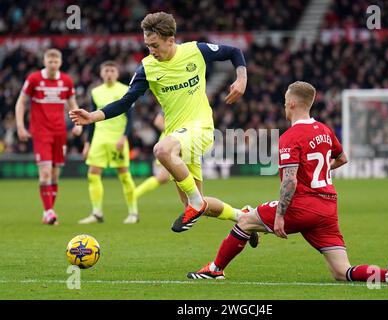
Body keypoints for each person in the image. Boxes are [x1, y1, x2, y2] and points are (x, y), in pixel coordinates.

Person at [186, 81, 388, 286]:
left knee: (245, 221)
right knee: (341, 271)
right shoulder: (325, 130)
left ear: (294, 104)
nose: (284, 106)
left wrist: (280, 216)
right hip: (327, 208)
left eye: (285, 101)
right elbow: (342, 158)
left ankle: (215, 270)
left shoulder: (290, 137)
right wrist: (317, 173)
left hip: (303, 206)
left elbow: (289, 181)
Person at [69, 11, 249, 233]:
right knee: (196, 203)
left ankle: (196, 203)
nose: (151, 51)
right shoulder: (147, 68)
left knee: (161, 151)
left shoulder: (195, 51)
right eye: (147, 46)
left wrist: (241, 78)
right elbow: (126, 102)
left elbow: (234, 52)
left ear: (171, 40)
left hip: (200, 127)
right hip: (178, 136)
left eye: (155, 45)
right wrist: (93, 116)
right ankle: (244, 217)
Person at [15, 48, 82, 225]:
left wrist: (78, 123)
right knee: (44, 174)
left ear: (60, 63)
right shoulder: (34, 79)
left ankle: (48, 213)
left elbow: (72, 104)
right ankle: (49, 211)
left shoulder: (66, 81)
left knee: (54, 175)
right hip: (41, 132)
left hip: (59, 132)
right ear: (44, 62)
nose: (52, 65)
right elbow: (21, 102)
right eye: (49, 61)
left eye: (55, 62)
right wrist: (20, 126)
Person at [78, 60, 139, 224]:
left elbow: (131, 117)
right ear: (101, 73)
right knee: (92, 174)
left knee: (124, 175)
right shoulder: (95, 92)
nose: (109, 73)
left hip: (117, 138)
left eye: (112, 70)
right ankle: (96, 212)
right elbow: (89, 120)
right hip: (99, 139)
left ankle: (133, 213)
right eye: (106, 71)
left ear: (117, 73)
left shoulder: (125, 90)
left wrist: (124, 137)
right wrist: (87, 143)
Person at [134, 112, 170, 199]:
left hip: (176, 143)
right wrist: (175, 133)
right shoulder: (172, 103)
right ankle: (134, 194)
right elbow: (158, 122)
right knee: (163, 177)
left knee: (168, 177)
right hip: (170, 143)